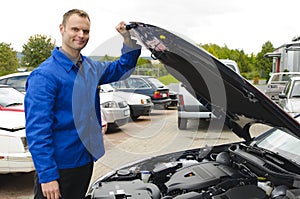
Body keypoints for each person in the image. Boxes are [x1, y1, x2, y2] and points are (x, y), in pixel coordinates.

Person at [24, 9, 141, 199]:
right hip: (60, 169)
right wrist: (47, 177)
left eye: (85, 31)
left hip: (85, 161)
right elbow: (37, 131)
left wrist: (128, 41)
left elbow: (123, 68)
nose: (81, 35)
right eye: (75, 29)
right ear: (62, 29)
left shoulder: (91, 68)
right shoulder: (45, 76)